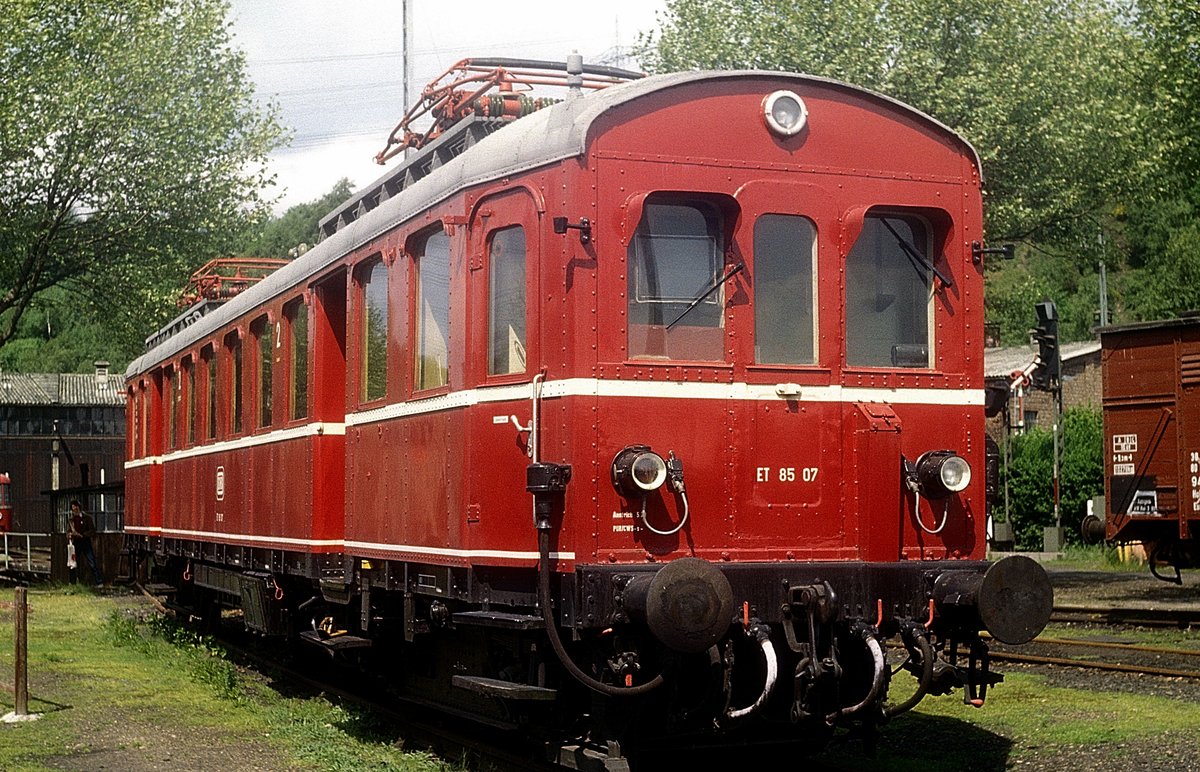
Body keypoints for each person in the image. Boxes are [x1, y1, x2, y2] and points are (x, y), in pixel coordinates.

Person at [68, 500, 103, 586]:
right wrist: (69, 535)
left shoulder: (87, 518)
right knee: (72, 563)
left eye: (75, 508)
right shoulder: (71, 520)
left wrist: (83, 535)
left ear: (79, 507)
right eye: (73, 509)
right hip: (75, 543)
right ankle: (72, 582)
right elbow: (68, 531)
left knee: (92, 562)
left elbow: (92, 531)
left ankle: (99, 581)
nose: (74, 510)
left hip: (85, 542)